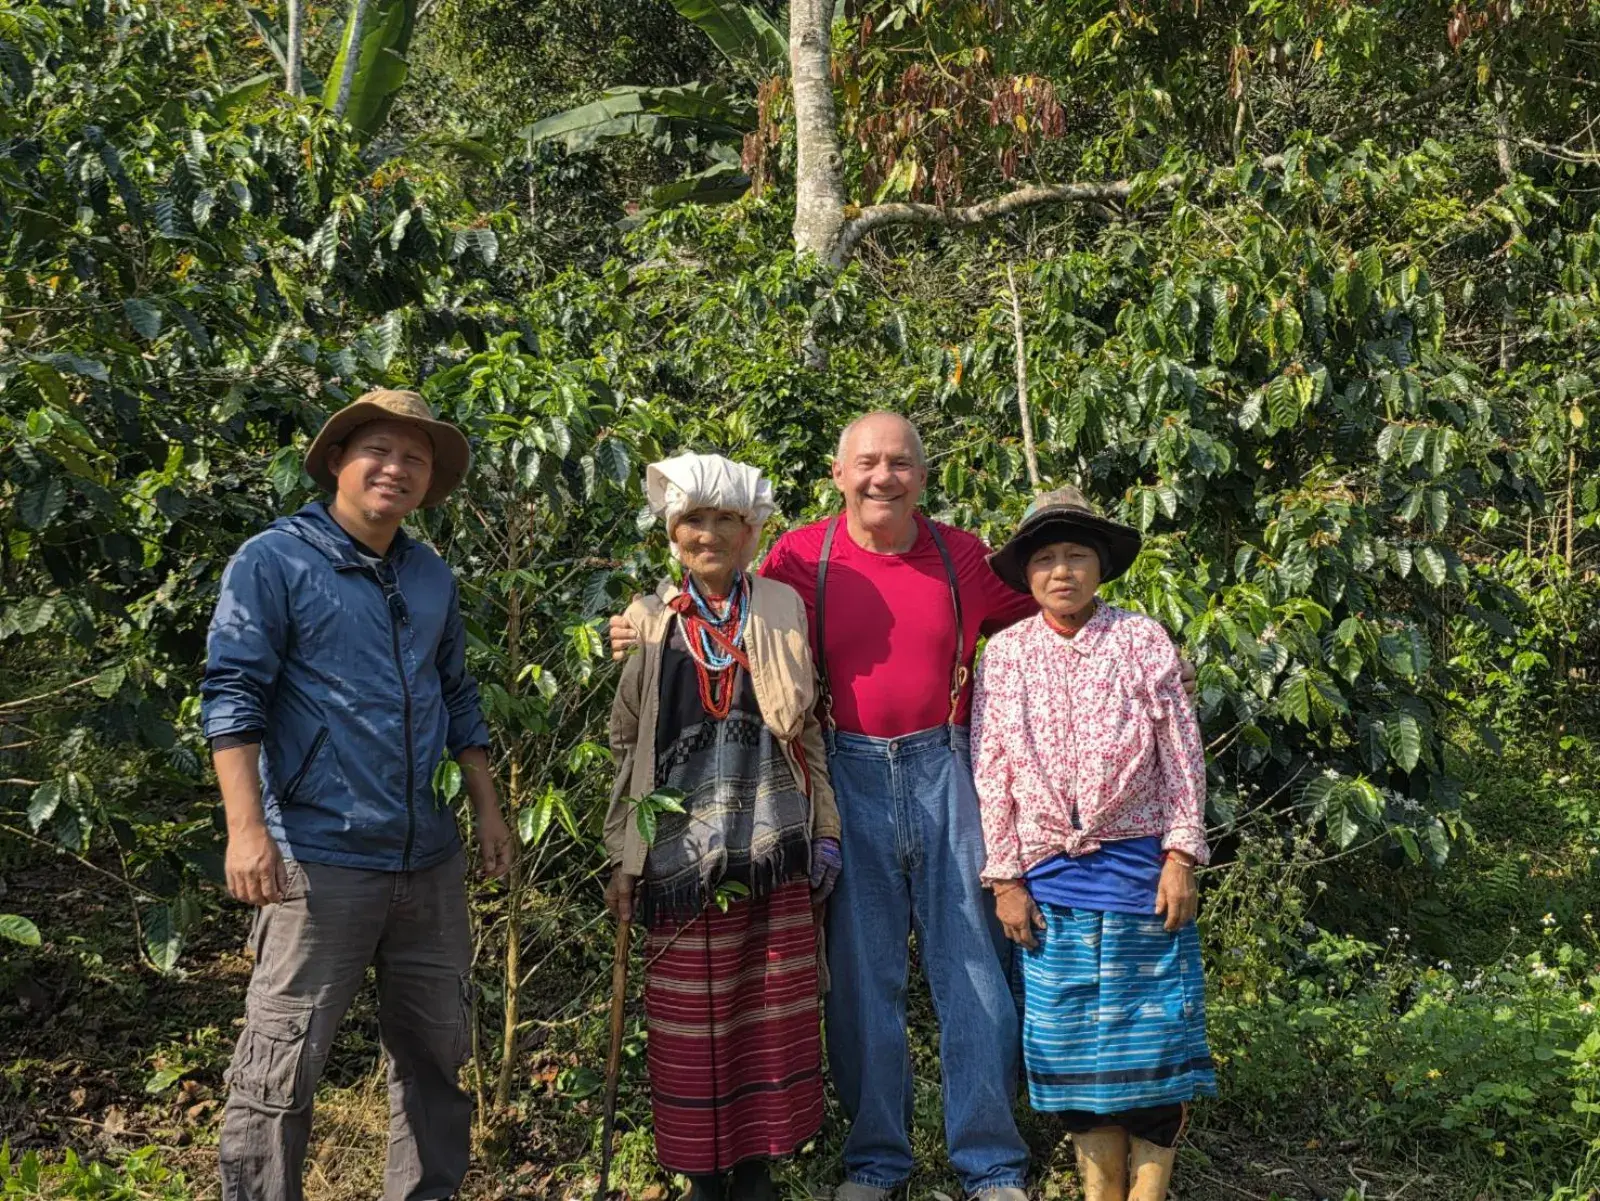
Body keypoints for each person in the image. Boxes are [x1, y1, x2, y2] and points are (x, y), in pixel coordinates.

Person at [612, 414, 1200, 1201]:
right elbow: (718, 598)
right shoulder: (800, 554)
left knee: (974, 970)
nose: (883, 476)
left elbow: (1064, 616)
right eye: (867, 462)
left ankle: (990, 1162)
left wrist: (1161, 661)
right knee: (861, 975)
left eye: (900, 463)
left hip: (945, 764)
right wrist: (637, 622)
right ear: (838, 472)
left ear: (923, 476)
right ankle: (875, 1159)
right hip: (844, 770)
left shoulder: (962, 556)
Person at [201, 389, 514, 1201]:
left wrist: (485, 807)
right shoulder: (275, 560)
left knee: (436, 1059)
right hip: (319, 857)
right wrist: (246, 831)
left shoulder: (429, 573)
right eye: (379, 448)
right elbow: (233, 694)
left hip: (429, 859)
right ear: (337, 458)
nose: (396, 468)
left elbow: (457, 694)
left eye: (415, 457)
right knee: (281, 1064)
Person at [604, 452, 842, 1201]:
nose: (707, 535)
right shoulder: (646, 619)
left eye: (725, 521)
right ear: (672, 533)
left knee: (767, 1020)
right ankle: (705, 1179)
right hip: (679, 862)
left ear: (750, 532)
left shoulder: (777, 606)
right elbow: (624, 742)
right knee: (691, 1032)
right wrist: (624, 855)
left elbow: (807, 726)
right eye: (692, 521)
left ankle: (758, 1173)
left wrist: (825, 826)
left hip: (772, 846)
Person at [972, 487, 1216, 1201]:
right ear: (1026, 575)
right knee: (1072, 1052)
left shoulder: (1141, 639)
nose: (1061, 571)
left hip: (1144, 878)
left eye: (1076, 554)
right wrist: (1005, 878)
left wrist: (1181, 856)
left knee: (1155, 1048)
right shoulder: (1008, 654)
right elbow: (992, 771)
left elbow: (1182, 755)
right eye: (1044, 558)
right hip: (1050, 888)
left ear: (1100, 564)